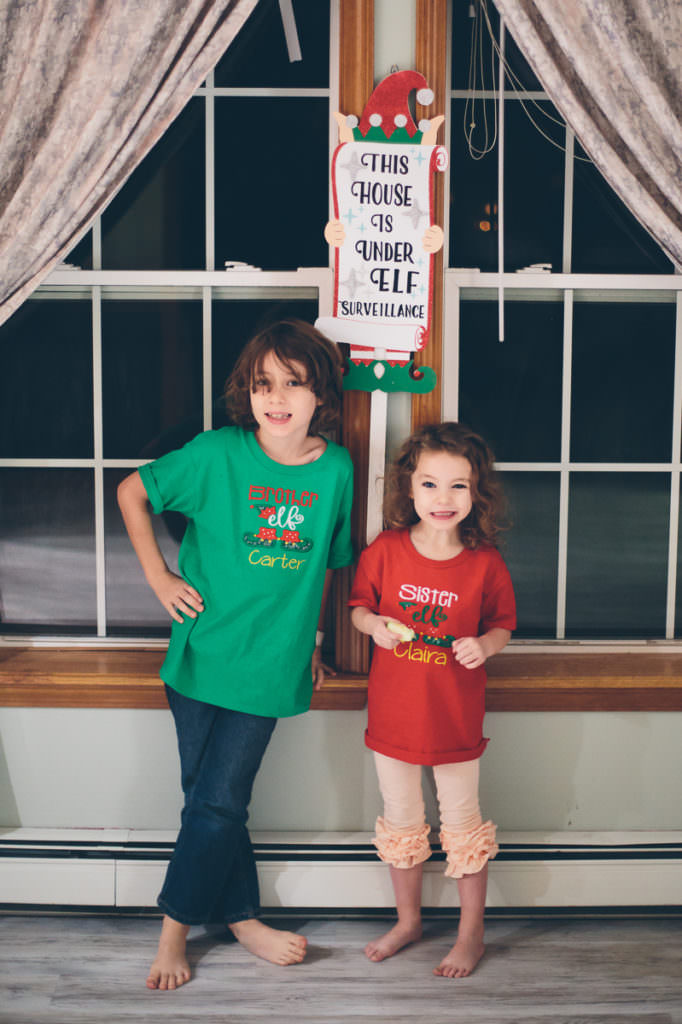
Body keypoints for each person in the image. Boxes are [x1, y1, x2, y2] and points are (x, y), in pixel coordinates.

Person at [117, 319, 353, 990]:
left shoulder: (336, 470)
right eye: (262, 384)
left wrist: (312, 641)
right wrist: (160, 578)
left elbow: (326, 570)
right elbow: (132, 492)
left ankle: (187, 928)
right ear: (246, 394)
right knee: (213, 802)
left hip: (270, 665)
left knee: (216, 803)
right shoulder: (218, 454)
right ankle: (233, 920)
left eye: (293, 384)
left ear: (320, 395)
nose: (276, 399)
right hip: (199, 659)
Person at [348, 422, 515, 979]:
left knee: (462, 825)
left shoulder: (485, 562)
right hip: (393, 716)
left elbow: (503, 626)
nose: (443, 499)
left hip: (455, 720)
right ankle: (408, 921)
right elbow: (357, 609)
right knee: (401, 821)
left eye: (458, 486)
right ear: (409, 488)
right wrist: (375, 625)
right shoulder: (386, 551)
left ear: (476, 493)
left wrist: (483, 646)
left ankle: (472, 933)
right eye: (430, 484)